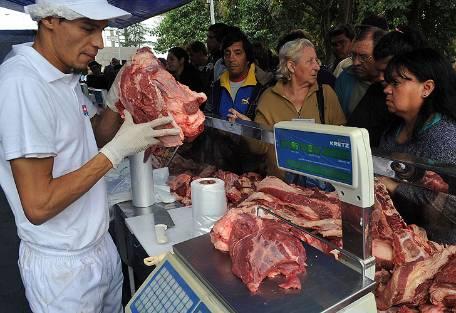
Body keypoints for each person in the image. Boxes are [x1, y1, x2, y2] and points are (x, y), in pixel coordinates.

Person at [0, 1, 180, 313]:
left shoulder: (63, 76)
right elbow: (39, 204)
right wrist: (116, 152)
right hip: (63, 267)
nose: (99, 42)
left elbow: (91, 137)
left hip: (97, 244)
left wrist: (117, 97)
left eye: (102, 30)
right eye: (87, 28)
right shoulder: (24, 84)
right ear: (50, 20)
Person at [228, 39, 346, 179]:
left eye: (316, 60)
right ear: (291, 66)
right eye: (310, 61)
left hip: (321, 189)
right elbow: (260, 148)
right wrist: (249, 128)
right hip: (280, 189)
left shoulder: (326, 94)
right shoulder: (269, 98)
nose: (317, 67)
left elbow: (343, 143)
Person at [378, 48, 456, 244]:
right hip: (400, 239)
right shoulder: (392, 130)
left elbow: (450, 208)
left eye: (396, 83)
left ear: (427, 88)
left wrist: (393, 186)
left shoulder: (445, 138)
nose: (387, 89)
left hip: (437, 249)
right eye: (387, 83)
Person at [348, 27, 427, 147]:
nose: (381, 79)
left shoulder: (441, 134)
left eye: (387, 71)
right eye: (379, 71)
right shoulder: (375, 91)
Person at [206, 26, 272, 120]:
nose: (231, 59)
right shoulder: (216, 87)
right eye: (227, 54)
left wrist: (248, 126)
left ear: (247, 58)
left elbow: (266, 128)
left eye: (238, 53)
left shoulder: (261, 88)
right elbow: (208, 118)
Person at [335, 25, 386, 118]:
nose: (355, 63)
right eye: (353, 55)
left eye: (363, 57)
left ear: (380, 55)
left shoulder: (395, 82)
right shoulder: (345, 79)